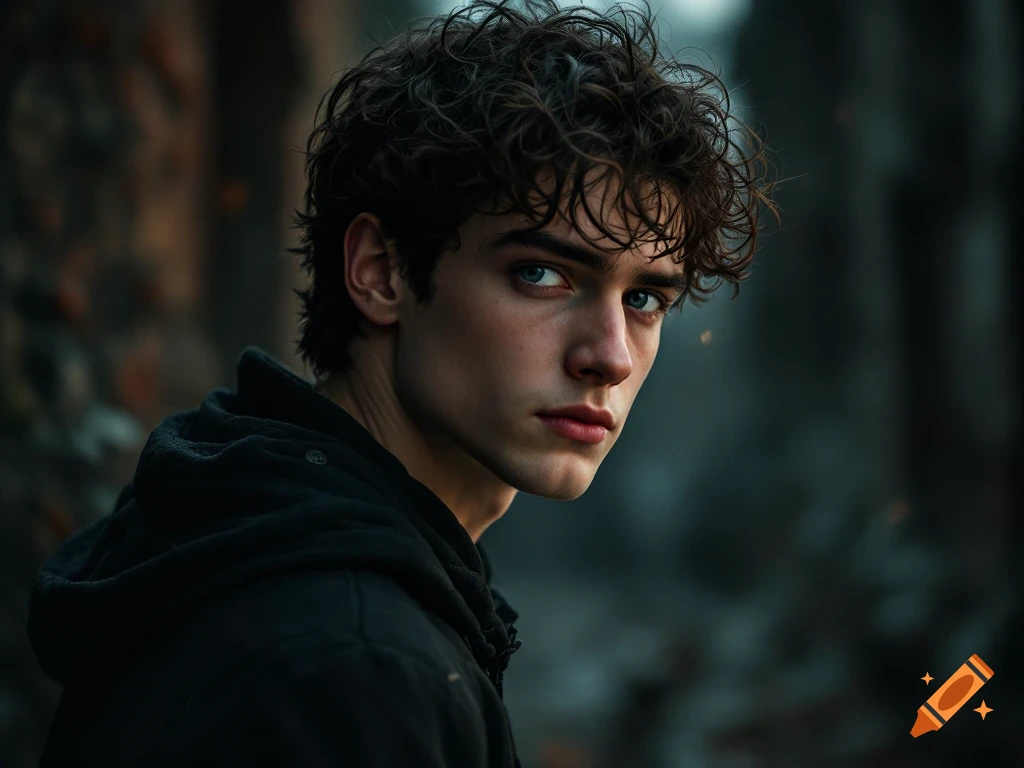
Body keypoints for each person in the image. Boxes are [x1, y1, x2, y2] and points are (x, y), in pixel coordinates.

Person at [27, 0, 776, 765]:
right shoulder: (356, 671)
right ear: (380, 272)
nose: (610, 356)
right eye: (541, 273)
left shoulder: (256, 542)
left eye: (644, 298)